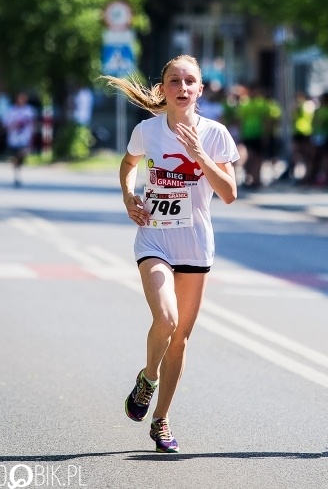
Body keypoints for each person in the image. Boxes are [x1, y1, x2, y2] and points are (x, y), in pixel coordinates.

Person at [102, 54, 239, 453]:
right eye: (174, 81)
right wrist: (129, 194)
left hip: (195, 243)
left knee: (179, 340)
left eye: (189, 81)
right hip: (155, 238)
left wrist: (198, 153)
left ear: (200, 89)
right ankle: (148, 377)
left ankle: (161, 419)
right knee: (166, 317)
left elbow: (229, 194)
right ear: (163, 89)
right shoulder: (148, 130)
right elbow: (128, 164)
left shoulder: (215, 135)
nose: (182, 88)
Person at [2, 91, 37, 187]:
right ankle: (16, 175)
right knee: (15, 156)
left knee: (22, 155)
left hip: (25, 137)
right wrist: (13, 125)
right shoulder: (11, 111)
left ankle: (18, 169)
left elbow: (32, 123)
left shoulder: (29, 110)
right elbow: (6, 124)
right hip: (14, 138)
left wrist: (32, 135)